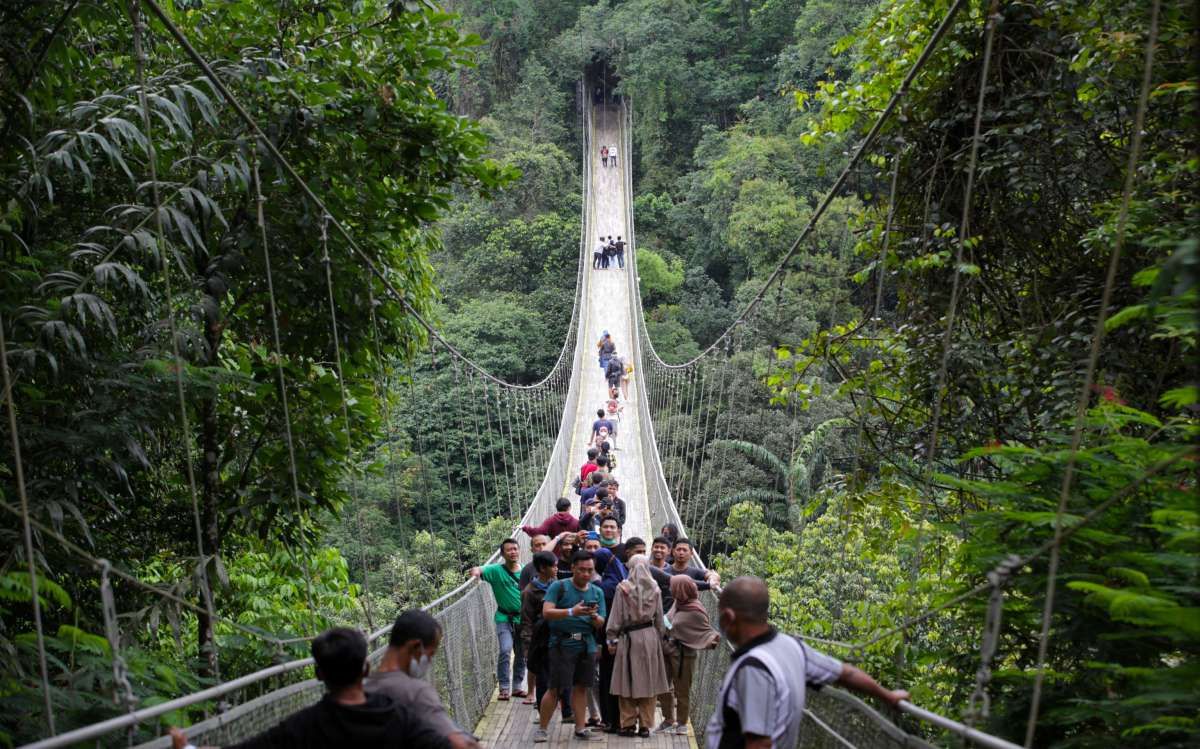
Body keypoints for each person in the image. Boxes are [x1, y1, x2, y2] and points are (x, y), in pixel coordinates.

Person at [705, 576, 910, 749]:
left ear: (728, 617)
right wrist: (888, 696)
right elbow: (846, 674)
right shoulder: (791, 646)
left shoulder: (754, 668)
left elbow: (760, 744)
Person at [168, 628, 449, 749]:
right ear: (365, 668)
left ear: (318, 673)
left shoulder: (302, 727)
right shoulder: (398, 716)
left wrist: (187, 746)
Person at [366, 610, 481, 747]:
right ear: (415, 647)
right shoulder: (415, 692)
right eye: (430, 654)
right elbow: (462, 745)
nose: (429, 661)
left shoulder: (363, 688)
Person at [535, 551, 608, 742]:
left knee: (581, 687)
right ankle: (542, 729)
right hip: (562, 644)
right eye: (582, 569)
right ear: (573, 568)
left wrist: (593, 616)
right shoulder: (559, 587)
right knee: (555, 688)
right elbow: (547, 612)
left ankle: (581, 729)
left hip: (586, 645)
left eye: (590, 570)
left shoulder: (597, 592)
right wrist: (572, 612)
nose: (586, 574)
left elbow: (601, 623)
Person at [606, 555, 670, 737]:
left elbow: (616, 617)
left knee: (626, 679)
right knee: (649, 681)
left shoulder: (623, 589)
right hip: (650, 637)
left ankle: (627, 724)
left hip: (629, 637)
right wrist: (660, 636)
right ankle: (645, 725)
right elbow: (659, 618)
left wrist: (612, 637)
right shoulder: (656, 588)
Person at [656, 576, 720, 735]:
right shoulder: (678, 603)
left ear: (682, 589)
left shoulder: (696, 610)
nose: (671, 590)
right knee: (663, 686)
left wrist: (711, 639)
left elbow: (705, 630)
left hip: (685, 655)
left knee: (682, 689)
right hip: (668, 650)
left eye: (673, 587)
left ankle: (682, 723)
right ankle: (668, 719)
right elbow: (668, 621)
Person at [469, 539, 526, 701]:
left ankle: (517, 687)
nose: (513, 552)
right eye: (509, 550)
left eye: (515, 549)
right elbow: (477, 569)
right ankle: (504, 688)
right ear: (502, 554)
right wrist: (475, 573)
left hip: (522, 619)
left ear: (519, 550)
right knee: (505, 650)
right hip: (503, 618)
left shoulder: (526, 572)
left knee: (521, 654)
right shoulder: (495, 571)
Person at [523, 551, 573, 719]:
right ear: (543, 568)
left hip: (559, 638)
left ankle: (567, 712)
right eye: (554, 565)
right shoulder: (529, 592)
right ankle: (543, 714)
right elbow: (526, 621)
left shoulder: (558, 585)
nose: (557, 568)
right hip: (541, 642)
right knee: (543, 680)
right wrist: (528, 649)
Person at [593, 547, 627, 732]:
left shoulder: (602, 587)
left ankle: (610, 721)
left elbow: (602, 619)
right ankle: (625, 720)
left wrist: (599, 642)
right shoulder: (625, 580)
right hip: (626, 638)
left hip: (608, 641)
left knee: (607, 679)